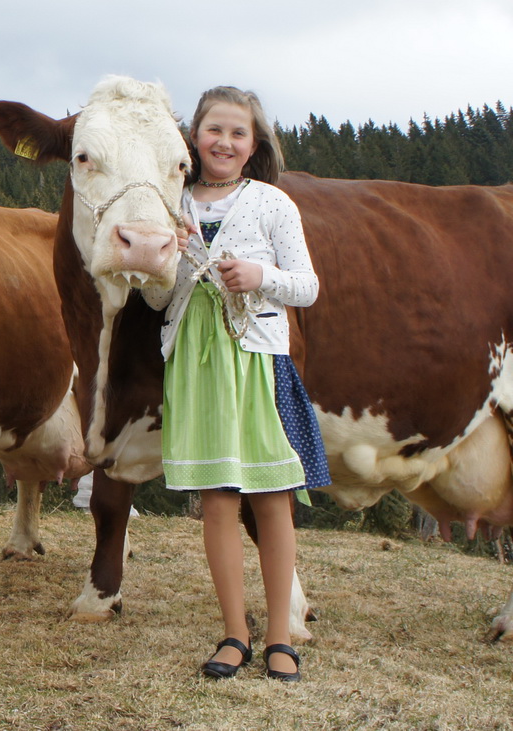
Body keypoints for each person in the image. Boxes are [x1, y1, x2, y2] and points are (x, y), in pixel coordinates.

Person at [143, 86, 330, 681]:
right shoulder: (173, 202)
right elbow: (155, 298)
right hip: (195, 367)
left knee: (272, 502)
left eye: (238, 133)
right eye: (214, 130)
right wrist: (160, 266)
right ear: (194, 136)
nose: (224, 142)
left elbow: (307, 286)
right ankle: (234, 633)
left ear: (254, 145)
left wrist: (259, 275)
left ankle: (280, 637)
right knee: (217, 503)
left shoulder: (272, 204)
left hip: (256, 362)